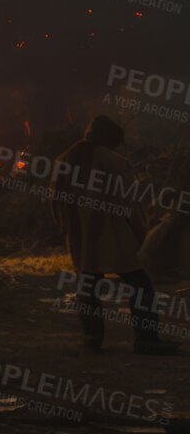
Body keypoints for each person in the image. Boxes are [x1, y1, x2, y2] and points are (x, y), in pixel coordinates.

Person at [49, 116, 176, 354]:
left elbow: (55, 202)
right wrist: (143, 234)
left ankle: (91, 338)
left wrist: (65, 229)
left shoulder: (63, 160)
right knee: (140, 285)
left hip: (82, 236)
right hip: (116, 235)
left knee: (88, 285)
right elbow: (129, 203)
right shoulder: (113, 161)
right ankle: (146, 339)